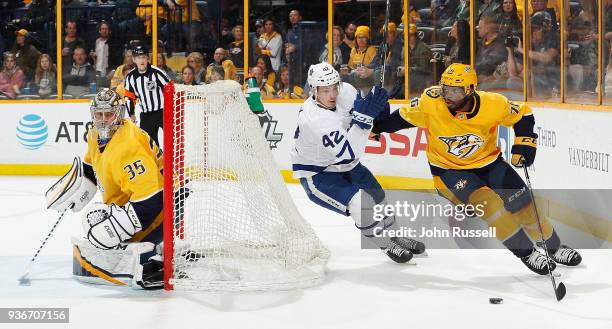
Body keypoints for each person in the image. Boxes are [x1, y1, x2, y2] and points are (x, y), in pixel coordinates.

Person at [371, 63, 582, 275]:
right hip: (448, 171)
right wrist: (377, 124)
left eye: (455, 90)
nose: (448, 96)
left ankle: (554, 247)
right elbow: (400, 120)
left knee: (523, 203)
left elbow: (523, 115)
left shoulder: (493, 104)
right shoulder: (431, 101)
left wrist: (525, 143)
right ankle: (527, 253)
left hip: (489, 163)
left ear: (470, 89)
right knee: (490, 205)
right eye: (445, 89)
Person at [291, 62, 426, 264]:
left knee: (378, 195)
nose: (332, 94)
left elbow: (362, 116)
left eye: (334, 86)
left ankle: (395, 236)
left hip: (346, 164)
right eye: (325, 90)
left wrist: (376, 115)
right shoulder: (313, 119)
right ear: (313, 90)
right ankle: (385, 244)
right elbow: (348, 152)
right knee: (361, 204)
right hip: (318, 173)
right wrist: (364, 120)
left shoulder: (346, 91)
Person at [46, 88, 164, 289]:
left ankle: (158, 252)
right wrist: (78, 187)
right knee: (94, 219)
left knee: (101, 229)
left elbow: (152, 200)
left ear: (119, 115)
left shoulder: (129, 146)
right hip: (136, 201)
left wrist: (115, 230)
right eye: (98, 114)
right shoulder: (94, 133)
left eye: (108, 114)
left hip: (164, 211)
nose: (103, 120)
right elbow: (92, 167)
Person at [124, 45, 170, 146]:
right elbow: (129, 97)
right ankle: (155, 162)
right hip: (146, 115)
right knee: (149, 145)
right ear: (134, 60)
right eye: (138, 58)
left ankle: (173, 161)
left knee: (172, 140)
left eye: (144, 57)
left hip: (163, 113)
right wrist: (131, 114)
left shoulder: (157, 72)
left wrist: (171, 109)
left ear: (147, 58)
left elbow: (170, 89)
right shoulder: (130, 77)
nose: (142, 60)